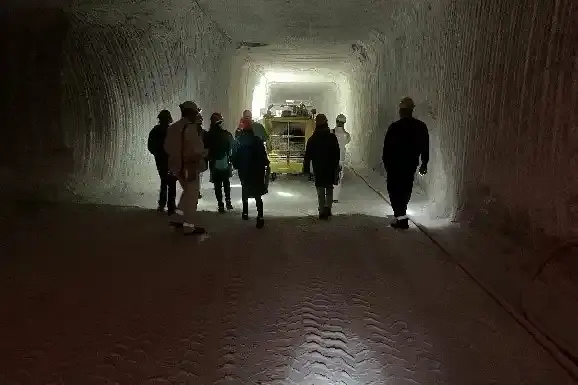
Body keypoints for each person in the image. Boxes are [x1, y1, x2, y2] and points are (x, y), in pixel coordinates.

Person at [382, 97, 429, 230]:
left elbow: (387, 148)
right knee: (405, 189)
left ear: (401, 111)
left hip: (395, 165)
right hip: (410, 164)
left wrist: (386, 164)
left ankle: (401, 217)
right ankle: (401, 214)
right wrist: (424, 163)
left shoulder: (395, 127)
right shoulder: (420, 126)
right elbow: (425, 146)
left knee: (394, 190)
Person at [163, 101, 208, 235]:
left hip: (176, 167)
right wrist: (206, 152)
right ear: (192, 113)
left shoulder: (173, 128)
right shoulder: (191, 128)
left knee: (187, 192)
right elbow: (197, 149)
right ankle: (189, 226)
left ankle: (178, 218)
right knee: (192, 195)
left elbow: (167, 147)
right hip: (190, 166)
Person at [232, 117, 269, 229]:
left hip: (245, 170)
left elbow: (234, 156)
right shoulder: (257, 140)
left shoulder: (238, 140)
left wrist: (236, 166)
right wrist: (266, 163)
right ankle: (260, 216)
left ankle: (245, 213)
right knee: (257, 193)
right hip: (257, 170)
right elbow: (263, 155)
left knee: (245, 189)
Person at [303, 114, 341, 220]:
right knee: (329, 187)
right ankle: (328, 208)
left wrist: (306, 169)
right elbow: (337, 152)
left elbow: (308, 155)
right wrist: (336, 165)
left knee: (320, 189)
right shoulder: (332, 137)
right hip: (330, 167)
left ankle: (321, 210)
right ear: (326, 123)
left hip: (318, 167)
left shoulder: (312, 139)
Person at [148, 110, 177, 214]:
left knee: (164, 181)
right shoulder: (172, 130)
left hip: (160, 160)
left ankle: (161, 205)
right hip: (171, 160)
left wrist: (157, 154)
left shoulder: (154, 130)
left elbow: (150, 146)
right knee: (172, 182)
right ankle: (171, 206)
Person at [205, 112, 234, 213]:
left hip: (214, 162)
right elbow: (231, 147)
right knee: (226, 182)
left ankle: (220, 205)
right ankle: (228, 202)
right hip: (225, 161)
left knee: (217, 184)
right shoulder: (226, 134)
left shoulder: (208, 135)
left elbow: (206, 149)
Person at [332, 113, 351, 203]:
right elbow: (347, 141)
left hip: (331, 159)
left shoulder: (331, 132)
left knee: (330, 177)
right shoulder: (346, 135)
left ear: (336, 122)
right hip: (341, 160)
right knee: (338, 178)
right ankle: (335, 197)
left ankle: (329, 196)